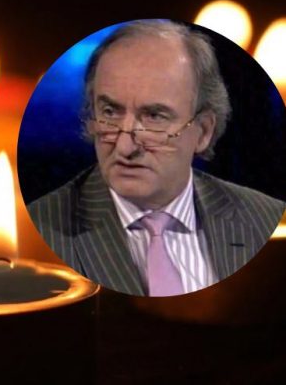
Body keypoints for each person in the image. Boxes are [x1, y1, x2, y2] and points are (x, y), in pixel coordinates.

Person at [27, 19, 286, 297]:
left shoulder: (259, 216)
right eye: (110, 113)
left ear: (203, 132)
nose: (125, 148)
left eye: (154, 117)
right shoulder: (47, 226)